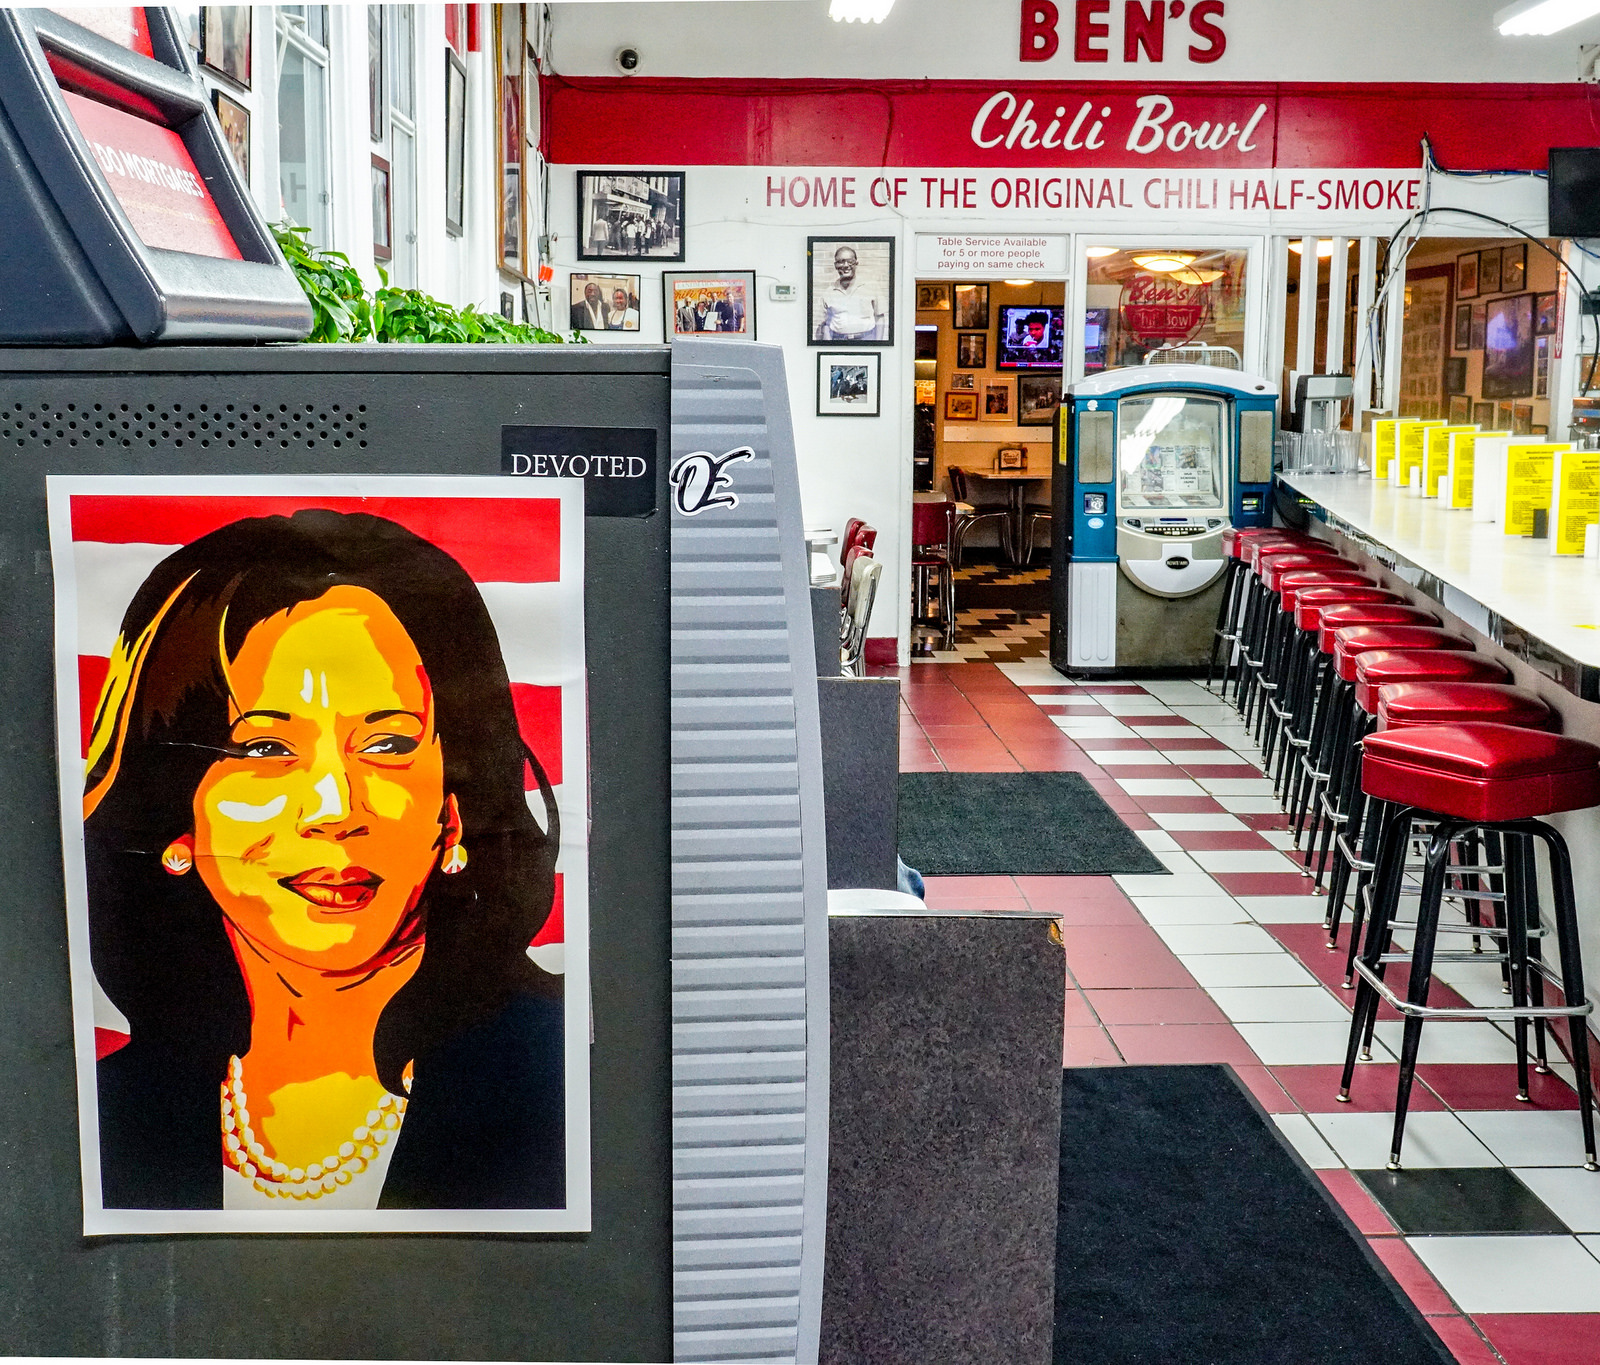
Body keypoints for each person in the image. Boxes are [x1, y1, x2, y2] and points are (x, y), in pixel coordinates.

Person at [85, 510, 565, 1211]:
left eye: (388, 745)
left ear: (454, 806)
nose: (335, 808)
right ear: (174, 814)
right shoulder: (108, 1113)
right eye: (265, 750)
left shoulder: (563, 1073)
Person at [816, 245, 885, 341]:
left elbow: (880, 317)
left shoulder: (871, 287)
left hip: (867, 340)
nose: (846, 265)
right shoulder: (828, 293)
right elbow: (825, 324)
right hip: (838, 341)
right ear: (835, 265)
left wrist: (878, 344)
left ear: (856, 263)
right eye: (841, 262)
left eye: (850, 261)